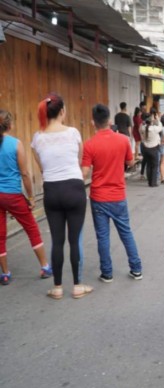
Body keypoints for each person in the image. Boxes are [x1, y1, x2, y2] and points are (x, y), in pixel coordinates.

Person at [31, 93, 92, 299]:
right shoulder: (73, 132)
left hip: (52, 190)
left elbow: (41, 167)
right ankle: (77, 286)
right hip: (74, 188)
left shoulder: (37, 137)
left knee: (57, 241)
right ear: (63, 112)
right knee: (74, 241)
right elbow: (79, 159)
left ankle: (57, 288)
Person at [81, 104, 143, 283]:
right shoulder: (123, 140)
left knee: (102, 236)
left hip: (99, 197)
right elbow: (131, 163)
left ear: (93, 122)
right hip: (118, 196)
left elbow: (84, 173)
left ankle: (107, 273)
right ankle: (136, 269)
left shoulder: (89, 144)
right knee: (126, 232)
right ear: (109, 120)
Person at [0, 110, 51, 285]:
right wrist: (30, 197)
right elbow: (24, 173)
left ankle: (5, 273)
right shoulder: (15, 144)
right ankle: (44, 266)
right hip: (13, 195)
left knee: (0, 235)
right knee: (31, 228)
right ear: (10, 125)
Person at [141, 112, 162, 187]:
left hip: (145, 148)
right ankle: (153, 183)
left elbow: (141, 127)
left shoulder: (143, 128)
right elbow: (160, 127)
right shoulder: (154, 129)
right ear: (151, 121)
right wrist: (158, 119)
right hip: (153, 148)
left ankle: (149, 181)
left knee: (149, 165)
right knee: (154, 166)